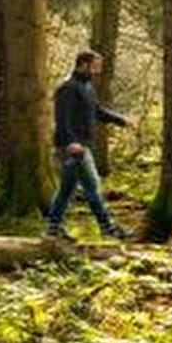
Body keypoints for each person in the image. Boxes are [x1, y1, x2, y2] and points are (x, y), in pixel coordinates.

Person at [43, 50, 134, 241]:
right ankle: (107, 228)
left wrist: (122, 120)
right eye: (96, 65)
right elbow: (62, 118)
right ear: (84, 64)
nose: (99, 70)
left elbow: (97, 111)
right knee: (92, 186)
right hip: (73, 148)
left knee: (66, 190)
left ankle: (52, 228)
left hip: (83, 145)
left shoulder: (87, 87)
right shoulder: (68, 87)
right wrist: (70, 142)